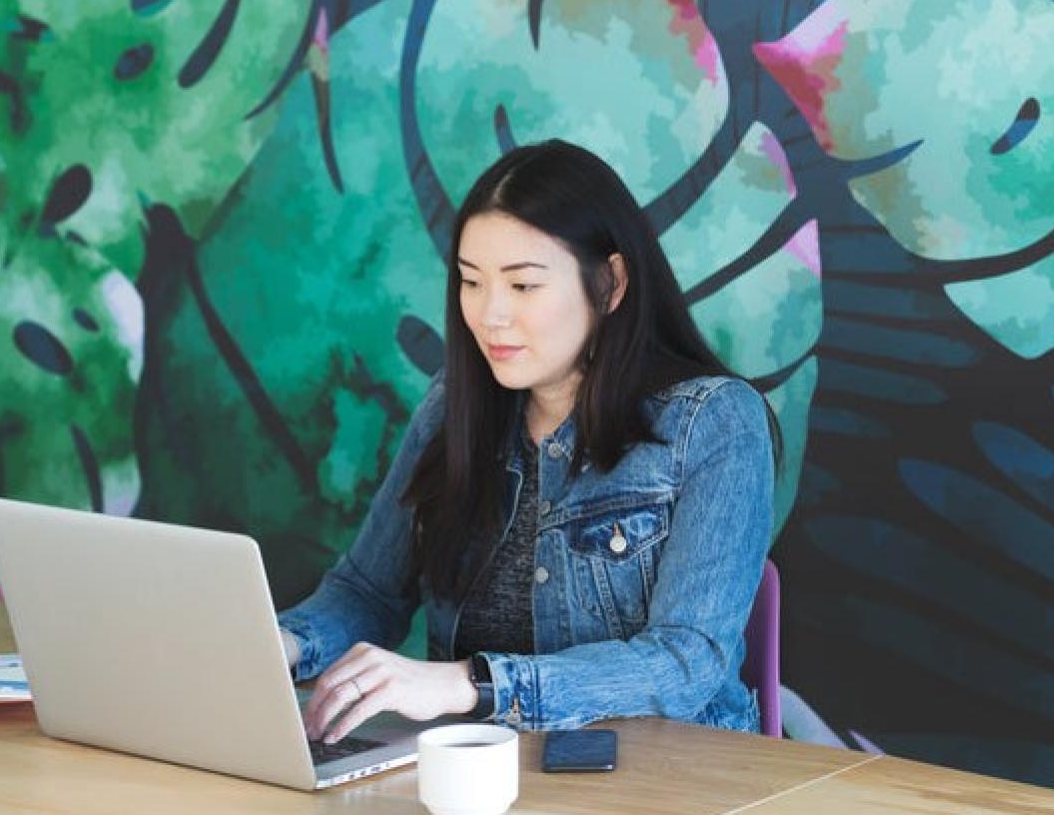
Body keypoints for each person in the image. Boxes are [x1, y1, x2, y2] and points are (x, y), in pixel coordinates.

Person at [276, 139, 778, 743]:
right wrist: (282, 644)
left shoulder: (714, 423)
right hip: (484, 779)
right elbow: (367, 592)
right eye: (471, 282)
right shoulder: (454, 404)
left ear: (610, 283)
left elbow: (684, 661)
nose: (490, 316)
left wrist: (472, 684)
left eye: (522, 287)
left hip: (672, 784)